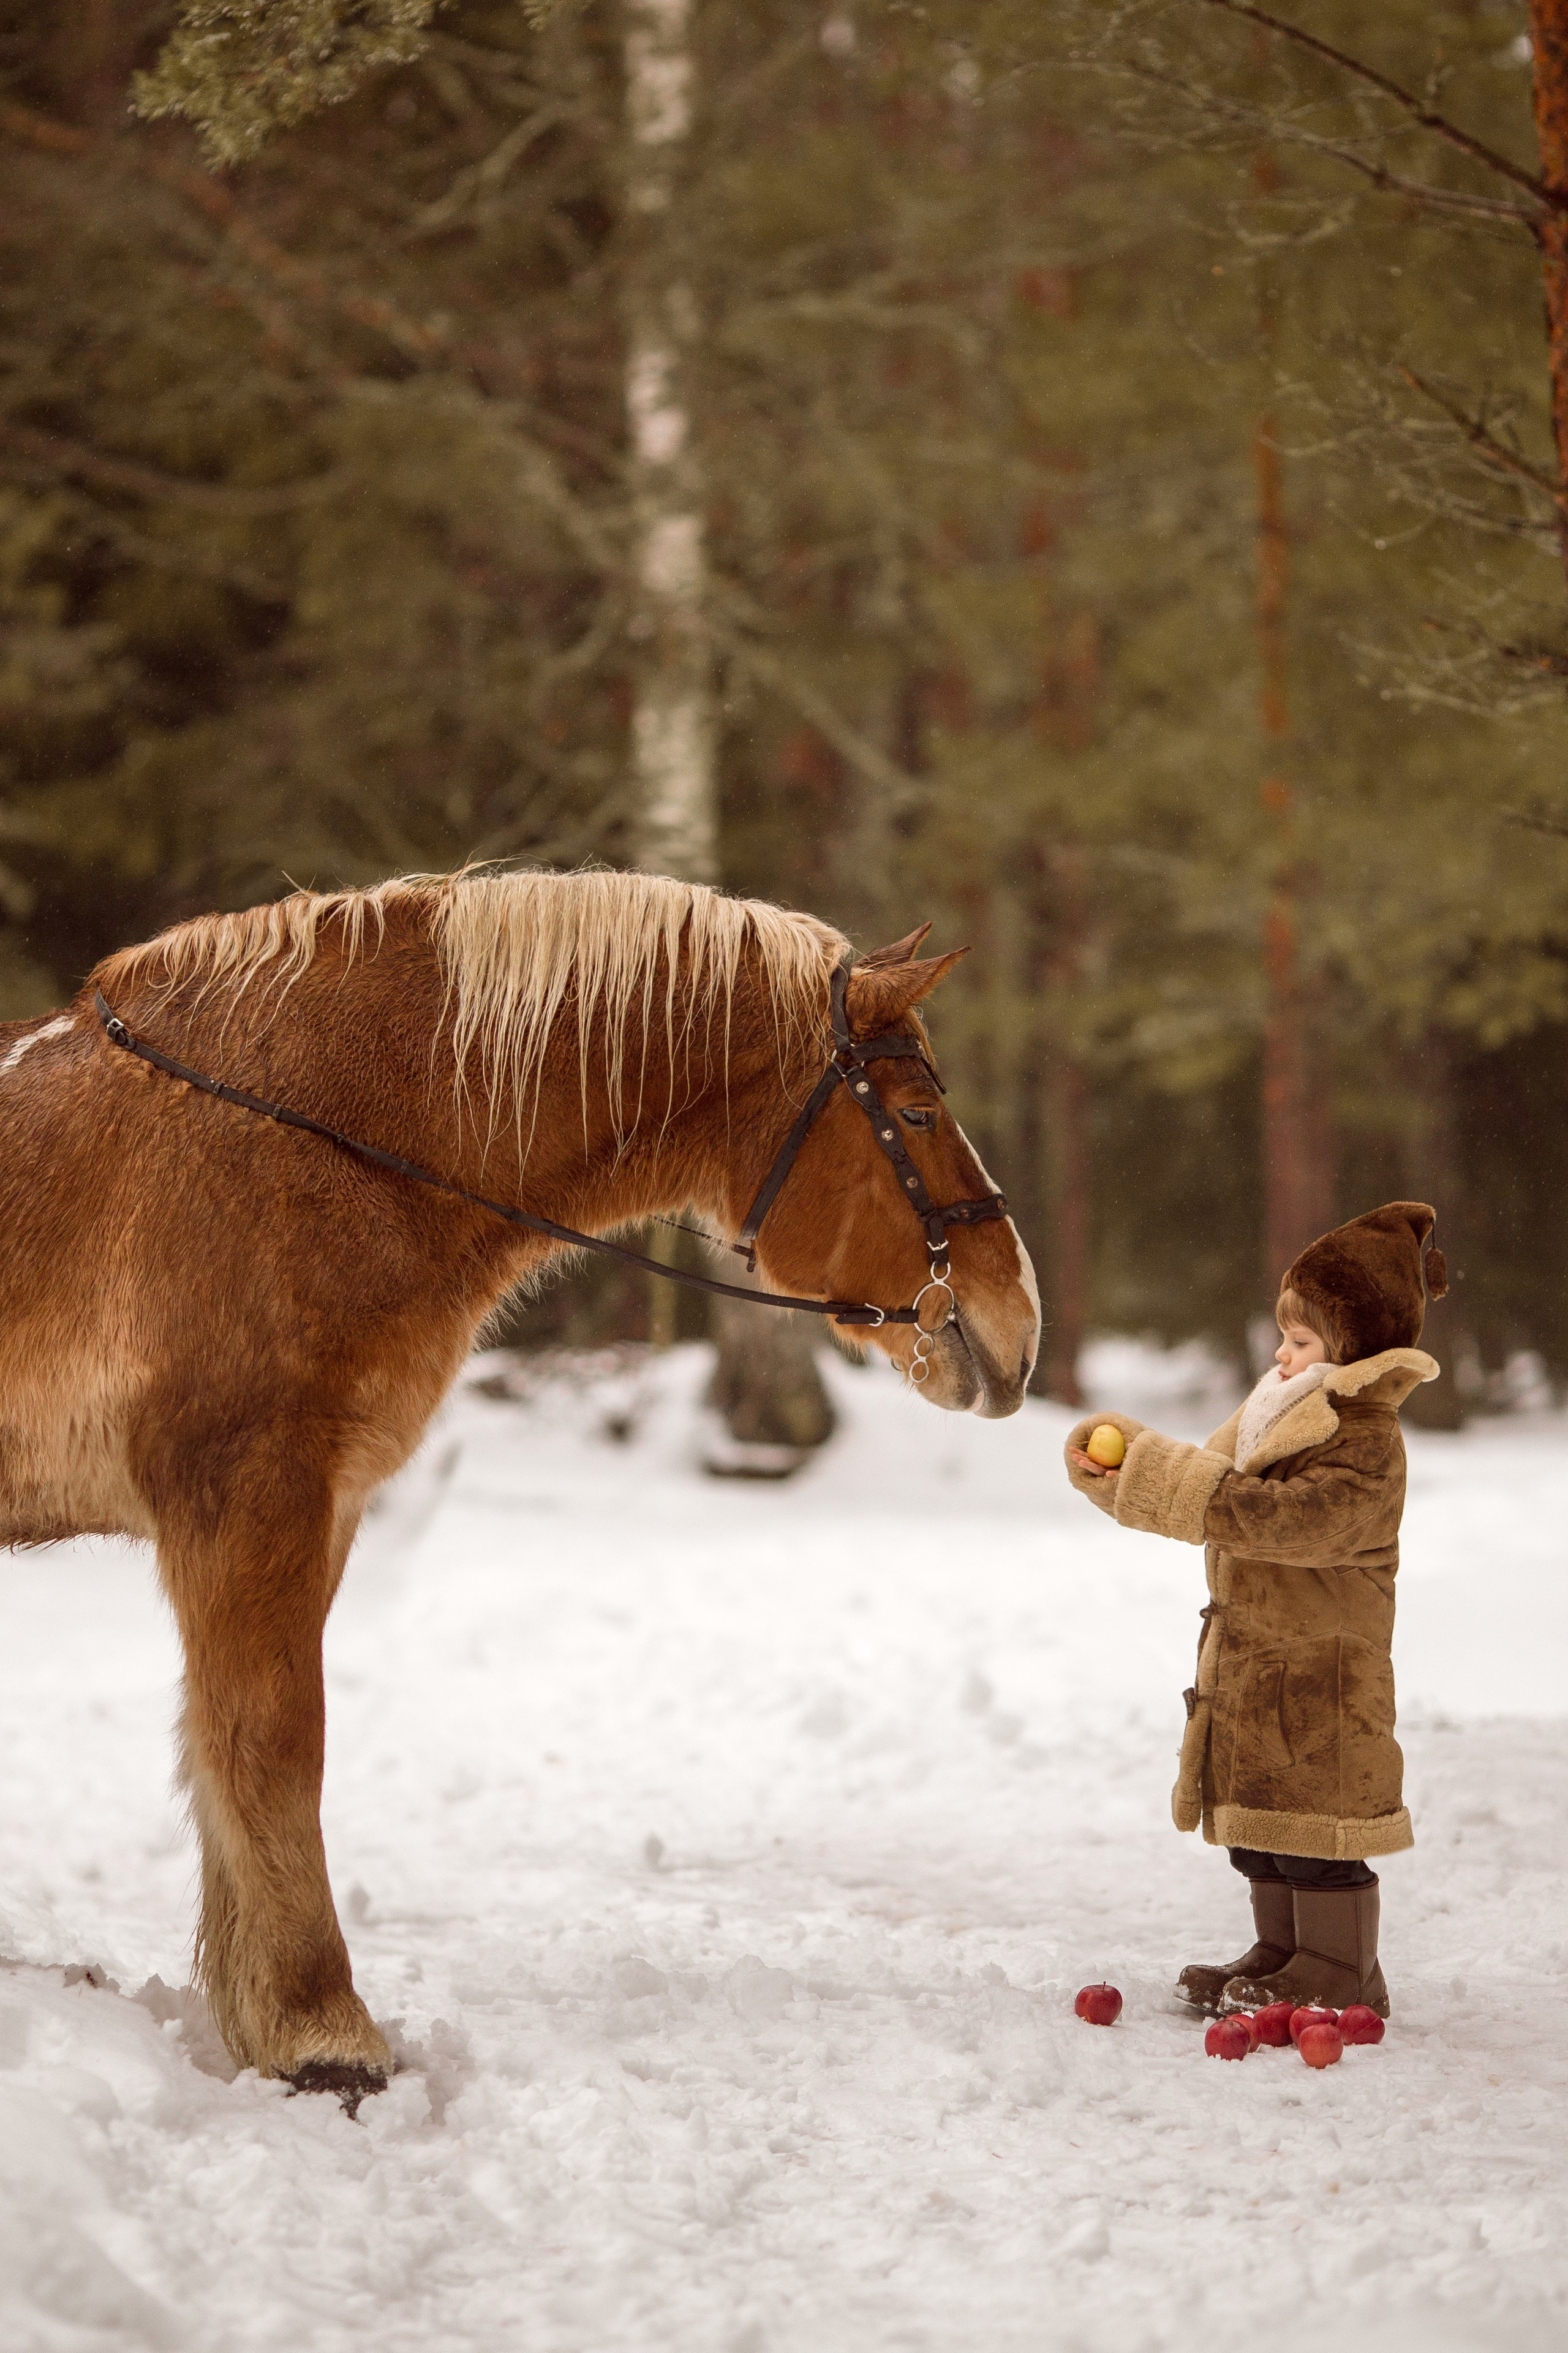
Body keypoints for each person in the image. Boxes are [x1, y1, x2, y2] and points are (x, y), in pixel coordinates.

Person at [1065, 1203, 1447, 2020]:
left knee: (1320, 1831)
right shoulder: (1281, 1411)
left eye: (1301, 1340)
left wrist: (1172, 1481)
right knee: (1267, 1827)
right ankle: (1283, 1952)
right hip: (1257, 1659)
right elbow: (1203, 1483)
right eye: (1285, 1335)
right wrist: (1129, 1465)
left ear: (1354, 1345)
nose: (1281, 1352)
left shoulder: (1365, 1437)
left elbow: (1289, 1519)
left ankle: (1341, 1966)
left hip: (1324, 1672)